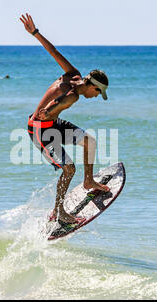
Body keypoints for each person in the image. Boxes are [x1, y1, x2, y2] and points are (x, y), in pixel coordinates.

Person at [20, 13, 110, 227]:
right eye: (98, 93)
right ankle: (58, 212)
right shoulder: (74, 96)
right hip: (40, 130)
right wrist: (47, 112)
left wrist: (35, 33)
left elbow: (53, 52)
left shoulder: (73, 73)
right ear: (93, 86)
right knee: (69, 168)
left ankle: (88, 181)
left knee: (89, 142)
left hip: (52, 123)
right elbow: (56, 106)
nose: (96, 97)